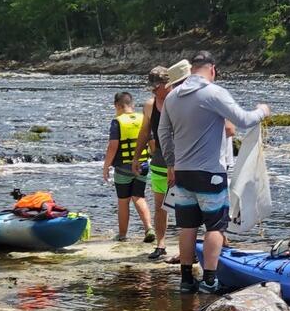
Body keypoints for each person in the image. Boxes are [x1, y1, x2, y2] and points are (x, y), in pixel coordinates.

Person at [158, 51, 270, 292]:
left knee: (187, 227)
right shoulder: (213, 92)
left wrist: (171, 163)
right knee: (215, 226)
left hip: (183, 172)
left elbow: (163, 134)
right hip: (211, 173)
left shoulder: (172, 97)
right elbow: (242, 120)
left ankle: (187, 280)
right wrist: (262, 111)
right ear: (212, 69)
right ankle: (209, 279)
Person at [133, 61, 189, 259]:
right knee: (160, 206)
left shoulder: (180, 101)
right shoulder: (150, 105)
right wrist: (136, 157)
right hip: (158, 162)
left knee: (186, 206)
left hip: (182, 162)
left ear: (169, 84)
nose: (156, 91)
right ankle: (161, 244)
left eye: (159, 87)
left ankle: (188, 248)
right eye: (153, 88)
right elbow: (144, 132)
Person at [103, 91, 154, 242]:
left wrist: (106, 167)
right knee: (139, 196)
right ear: (132, 104)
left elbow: (113, 146)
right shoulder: (143, 118)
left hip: (123, 167)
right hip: (143, 165)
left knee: (123, 201)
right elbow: (152, 143)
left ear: (117, 106)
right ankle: (149, 228)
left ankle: (123, 234)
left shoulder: (117, 122)